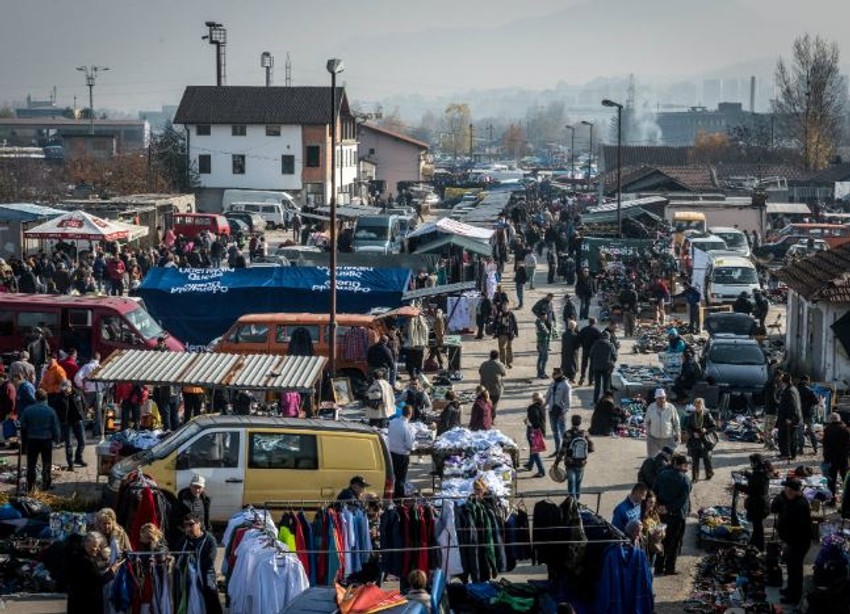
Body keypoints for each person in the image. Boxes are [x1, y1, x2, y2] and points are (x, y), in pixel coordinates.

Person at [770, 478, 812, 605]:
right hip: (791, 542)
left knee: (795, 570)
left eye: (787, 489)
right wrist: (781, 496)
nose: (785, 491)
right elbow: (773, 508)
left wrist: (788, 542)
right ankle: (790, 589)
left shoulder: (800, 505)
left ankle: (794, 597)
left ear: (793, 491)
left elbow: (797, 528)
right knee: (790, 567)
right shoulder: (790, 500)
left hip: (798, 543)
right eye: (785, 489)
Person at [66, 531, 124, 614]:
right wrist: (112, 570)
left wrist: (102, 565)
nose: (98, 549)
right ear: (86, 545)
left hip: (75, 601)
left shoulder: (76, 556)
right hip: (87, 602)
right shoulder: (87, 561)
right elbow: (98, 581)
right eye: (95, 546)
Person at [653, 454, 692, 576]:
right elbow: (682, 500)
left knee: (662, 540)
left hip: (662, 515)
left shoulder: (662, 475)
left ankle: (658, 567)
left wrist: (660, 506)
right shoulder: (685, 480)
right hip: (677, 516)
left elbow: (654, 491)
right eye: (686, 465)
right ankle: (670, 568)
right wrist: (669, 508)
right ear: (682, 465)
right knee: (674, 543)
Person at [177, 513, 222, 614]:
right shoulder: (184, 540)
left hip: (205, 575)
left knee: (211, 600)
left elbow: (209, 561)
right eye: (185, 525)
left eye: (191, 524)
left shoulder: (209, 540)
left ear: (199, 524)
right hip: (189, 578)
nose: (188, 528)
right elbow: (179, 558)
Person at [20, 388, 61, 492]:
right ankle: (46, 484)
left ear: (35, 398)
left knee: (31, 464)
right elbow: (55, 427)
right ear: (46, 398)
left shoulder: (28, 410)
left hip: (32, 440)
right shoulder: (51, 411)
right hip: (46, 440)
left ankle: (30, 486)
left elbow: (23, 425)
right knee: (46, 463)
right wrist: (57, 439)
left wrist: (24, 439)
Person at [734, 453, 771, 551]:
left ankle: (760, 546)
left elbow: (750, 489)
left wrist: (738, 486)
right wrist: (747, 474)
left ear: (756, 463)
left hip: (758, 504)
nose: (751, 464)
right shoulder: (762, 472)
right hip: (762, 503)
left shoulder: (759, 475)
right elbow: (755, 480)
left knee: (758, 526)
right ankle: (755, 542)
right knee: (757, 525)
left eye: (752, 462)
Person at [49, 379, 87, 471]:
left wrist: (83, 414)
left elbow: (84, 404)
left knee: (82, 441)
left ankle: (78, 458)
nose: (65, 391)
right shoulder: (59, 397)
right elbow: (56, 409)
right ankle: (70, 463)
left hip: (77, 420)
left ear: (70, 387)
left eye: (66, 389)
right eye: (63, 389)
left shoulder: (77, 393)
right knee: (68, 444)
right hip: (66, 422)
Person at [555, 414, 594, 500]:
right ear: (580, 423)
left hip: (570, 464)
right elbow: (591, 449)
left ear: (571, 422)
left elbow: (563, 450)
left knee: (571, 483)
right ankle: (577, 501)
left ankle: (573, 502)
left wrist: (556, 462)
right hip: (581, 463)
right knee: (578, 484)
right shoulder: (585, 433)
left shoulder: (567, 434)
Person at [74, 352, 105, 440]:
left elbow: (77, 377)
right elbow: (108, 382)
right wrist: (104, 389)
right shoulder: (101, 367)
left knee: (85, 412)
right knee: (98, 414)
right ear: (99, 359)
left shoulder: (86, 366)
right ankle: (96, 433)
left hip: (89, 392)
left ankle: (81, 432)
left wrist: (82, 386)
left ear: (91, 358)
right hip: (99, 392)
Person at [685, 397, 716, 481]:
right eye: (696, 405)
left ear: (702, 405)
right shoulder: (692, 415)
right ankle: (695, 477)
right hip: (694, 440)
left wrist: (706, 430)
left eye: (699, 405)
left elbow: (714, 426)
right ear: (694, 405)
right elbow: (688, 427)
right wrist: (693, 433)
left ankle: (709, 473)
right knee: (695, 459)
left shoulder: (707, 415)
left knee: (707, 458)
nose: (698, 406)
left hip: (705, 440)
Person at [644, 389, 681, 458]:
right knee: (653, 459)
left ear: (665, 398)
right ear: (656, 399)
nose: (661, 400)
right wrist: (648, 434)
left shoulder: (671, 408)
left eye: (662, 398)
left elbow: (676, 423)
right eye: (659, 398)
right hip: (653, 439)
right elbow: (647, 422)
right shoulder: (651, 407)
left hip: (668, 439)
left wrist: (678, 434)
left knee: (667, 459)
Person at [388, 405, 414, 499]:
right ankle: (399, 497)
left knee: (394, 476)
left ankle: (394, 494)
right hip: (402, 455)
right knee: (401, 478)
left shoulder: (393, 422)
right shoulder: (406, 426)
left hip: (392, 453)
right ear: (410, 414)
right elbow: (409, 445)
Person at [545, 367, 571, 456]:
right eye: (553, 373)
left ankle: (565, 451)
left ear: (560, 374)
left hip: (560, 411)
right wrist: (544, 405)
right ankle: (557, 450)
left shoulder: (566, 385)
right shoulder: (553, 383)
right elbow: (548, 395)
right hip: (552, 410)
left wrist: (564, 412)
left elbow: (568, 401)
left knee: (563, 432)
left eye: (555, 374)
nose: (553, 375)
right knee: (555, 432)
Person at [822, 413, 850, 497]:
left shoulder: (827, 429)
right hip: (843, 458)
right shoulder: (845, 429)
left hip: (831, 458)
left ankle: (832, 498)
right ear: (839, 419)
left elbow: (825, 445)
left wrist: (825, 458)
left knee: (831, 480)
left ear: (831, 420)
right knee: (846, 479)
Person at [777, 373, 802, 460]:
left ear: (784, 381)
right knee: (787, 436)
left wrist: (790, 418)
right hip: (790, 417)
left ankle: (790, 454)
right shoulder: (793, 389)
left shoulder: (789, 391)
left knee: (789, 437)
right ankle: (786, 453)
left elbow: (792, 405)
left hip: (789, 418)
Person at [522, 392, 547, 477]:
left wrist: (529, 422)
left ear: (533, 399)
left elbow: (535, 419)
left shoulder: (532, 408)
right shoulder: (542, 406)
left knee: (535, 451)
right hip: (540, 430)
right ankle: (530, 464)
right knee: (533, 448)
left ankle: (541, 471)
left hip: (534, 431)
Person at [588, 330, 617, 404]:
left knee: (597, 386)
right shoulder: (610, 345)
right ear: (608, 337)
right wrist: (611, 362)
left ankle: (595, 401)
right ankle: (605, 401)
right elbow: (615, 357)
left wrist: (595, 361)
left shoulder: (595, 344)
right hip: (607, 367)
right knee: (606, 386)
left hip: (596, 367)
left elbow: (591, 354)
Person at [478, 350, 507, 419]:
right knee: (493, 405)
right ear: (498, 356)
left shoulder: (484, 364)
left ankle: (485, 418)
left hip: (484, 389)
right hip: (495, 389)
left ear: (490, 356)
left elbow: (480, 371)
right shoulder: (500, 364)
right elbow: (504, 374)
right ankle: (491, 419)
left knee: (485, 404)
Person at [796, 375, 820, 454]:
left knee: (800, 432)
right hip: (809, 414)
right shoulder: (810, 390)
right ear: (807, 381)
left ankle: (800, 449)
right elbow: (816, 401)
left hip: (799, 414)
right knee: (811, 431)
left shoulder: (796, 390)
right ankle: (815, 448)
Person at [577, 318, 601, 387]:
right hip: (593, 350)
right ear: (595, 322)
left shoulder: (584, 329)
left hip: (585, 349)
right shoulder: (597, 330)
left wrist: (582, 344)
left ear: (589, 322)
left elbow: (579, 338)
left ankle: (582, 377)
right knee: (592, 365)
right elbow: (599, 340)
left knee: (584, 364)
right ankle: (591, 380)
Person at [762, 369, 782, 451]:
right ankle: (771, 445)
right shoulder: (774, 386)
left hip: (767, 408)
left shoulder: (768, 383)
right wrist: (780, 404)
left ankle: (766, 443)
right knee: (770, 428)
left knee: (767, 427)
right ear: (777, 376)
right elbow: (774, 398)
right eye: (781, 377)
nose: (781, 378)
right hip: (773, 409)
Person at [535, 312, 552, 379]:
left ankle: (540, 372)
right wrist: (547, 331)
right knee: (544, 358)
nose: (546, 317)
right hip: (542, 342)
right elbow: (545, 332)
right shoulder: (540, 323)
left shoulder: (540, 322)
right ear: (542, 316)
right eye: (545, 316)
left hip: (541, 342)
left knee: (541, 357)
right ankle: (542, 373)